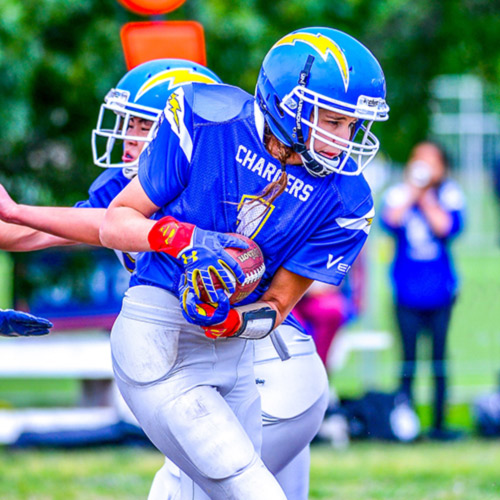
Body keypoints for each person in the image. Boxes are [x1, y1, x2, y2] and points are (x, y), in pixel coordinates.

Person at [0, 57, 328, 499]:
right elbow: (26, 231)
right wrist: (13, 210)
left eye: (138, 124)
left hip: (266, 367)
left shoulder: (212, 177)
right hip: (226, 366)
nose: (127, 137)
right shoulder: (130, 186)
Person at [97, 26, 388, 499]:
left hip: (240, 358)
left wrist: (231, 320)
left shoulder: (347, 199)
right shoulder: (206, 120)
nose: (346, 139)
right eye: (333, 121)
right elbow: (114, 223)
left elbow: (278, 305)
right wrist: (191, 241)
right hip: (159, 331)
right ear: (288, 104)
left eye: (352, 125)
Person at [380, 141, 465, 441]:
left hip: (441, 290)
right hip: (406, 291)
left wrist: (427, 198)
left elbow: (446, 227)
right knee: (408, 360)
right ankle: (407, 424)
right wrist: (412, 193)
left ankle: (440, 424)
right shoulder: (399, 193)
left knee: (439, 358)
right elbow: (390, 220)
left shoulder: (448, 194)